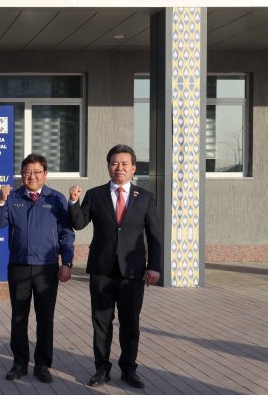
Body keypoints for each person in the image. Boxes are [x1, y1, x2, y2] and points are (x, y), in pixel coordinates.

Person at [68, 144, 162, 389]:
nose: (119, 168)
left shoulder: (145, 198)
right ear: (108, 166)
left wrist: (154, 266)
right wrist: (73, 201)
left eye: (124, 164)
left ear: (133, 168)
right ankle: (101, 369)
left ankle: (129, 369)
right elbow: (79, 223)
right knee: (101, 322)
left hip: (132, 271)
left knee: (130, 323)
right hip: (102, 270)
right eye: (114, 163)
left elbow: (155, 235)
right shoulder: (95, 195)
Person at [0, 153, 74, 383]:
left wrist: (67, 263)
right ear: (21, 174)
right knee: (19, 317)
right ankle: (19, 362)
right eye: (27, 172)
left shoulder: (56, 199)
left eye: (37, 172)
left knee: (45, 318)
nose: (32, 176)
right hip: (19, 267)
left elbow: (66, 233)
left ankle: (43, 364)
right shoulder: (13, 197)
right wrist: (0, 201)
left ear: (45, 174)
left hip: (47, 268)